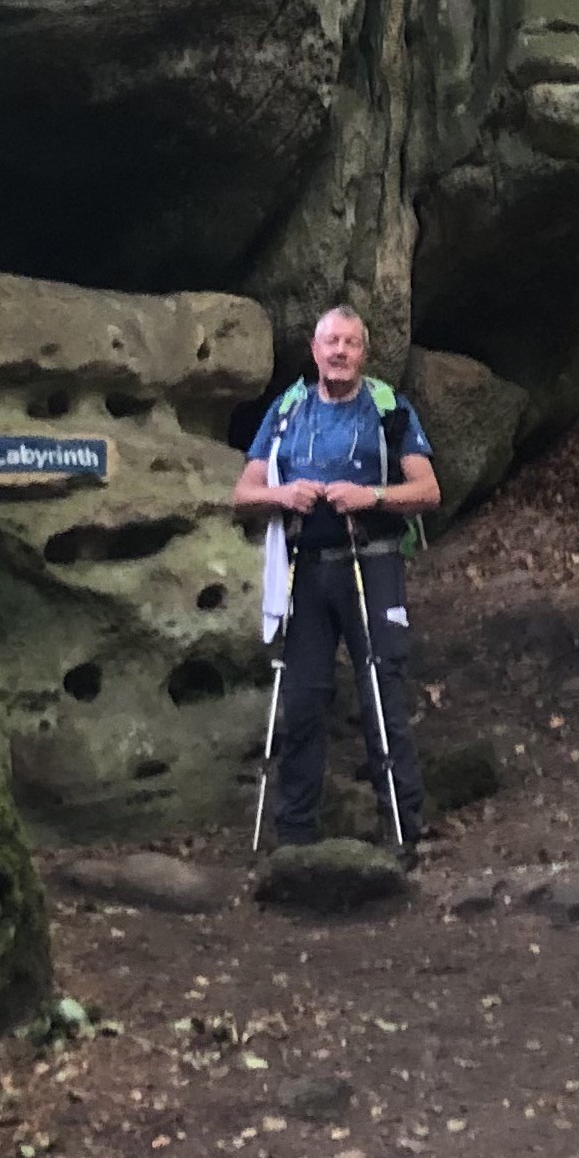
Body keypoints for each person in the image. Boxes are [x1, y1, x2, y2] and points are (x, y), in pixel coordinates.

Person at [233, 306, 441, 848]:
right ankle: (295, 837)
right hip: (306, 571)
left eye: (350, 342)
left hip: (372, 561)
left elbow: (427, 490)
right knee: (303, 701)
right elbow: (244, 491)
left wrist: (370, 495)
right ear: (315, 350)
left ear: (364, 353)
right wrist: (284, 494)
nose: (340, 351)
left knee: (381, 691)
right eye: (331, 342)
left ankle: (402, 829)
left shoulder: (388, 408)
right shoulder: (288, 408)